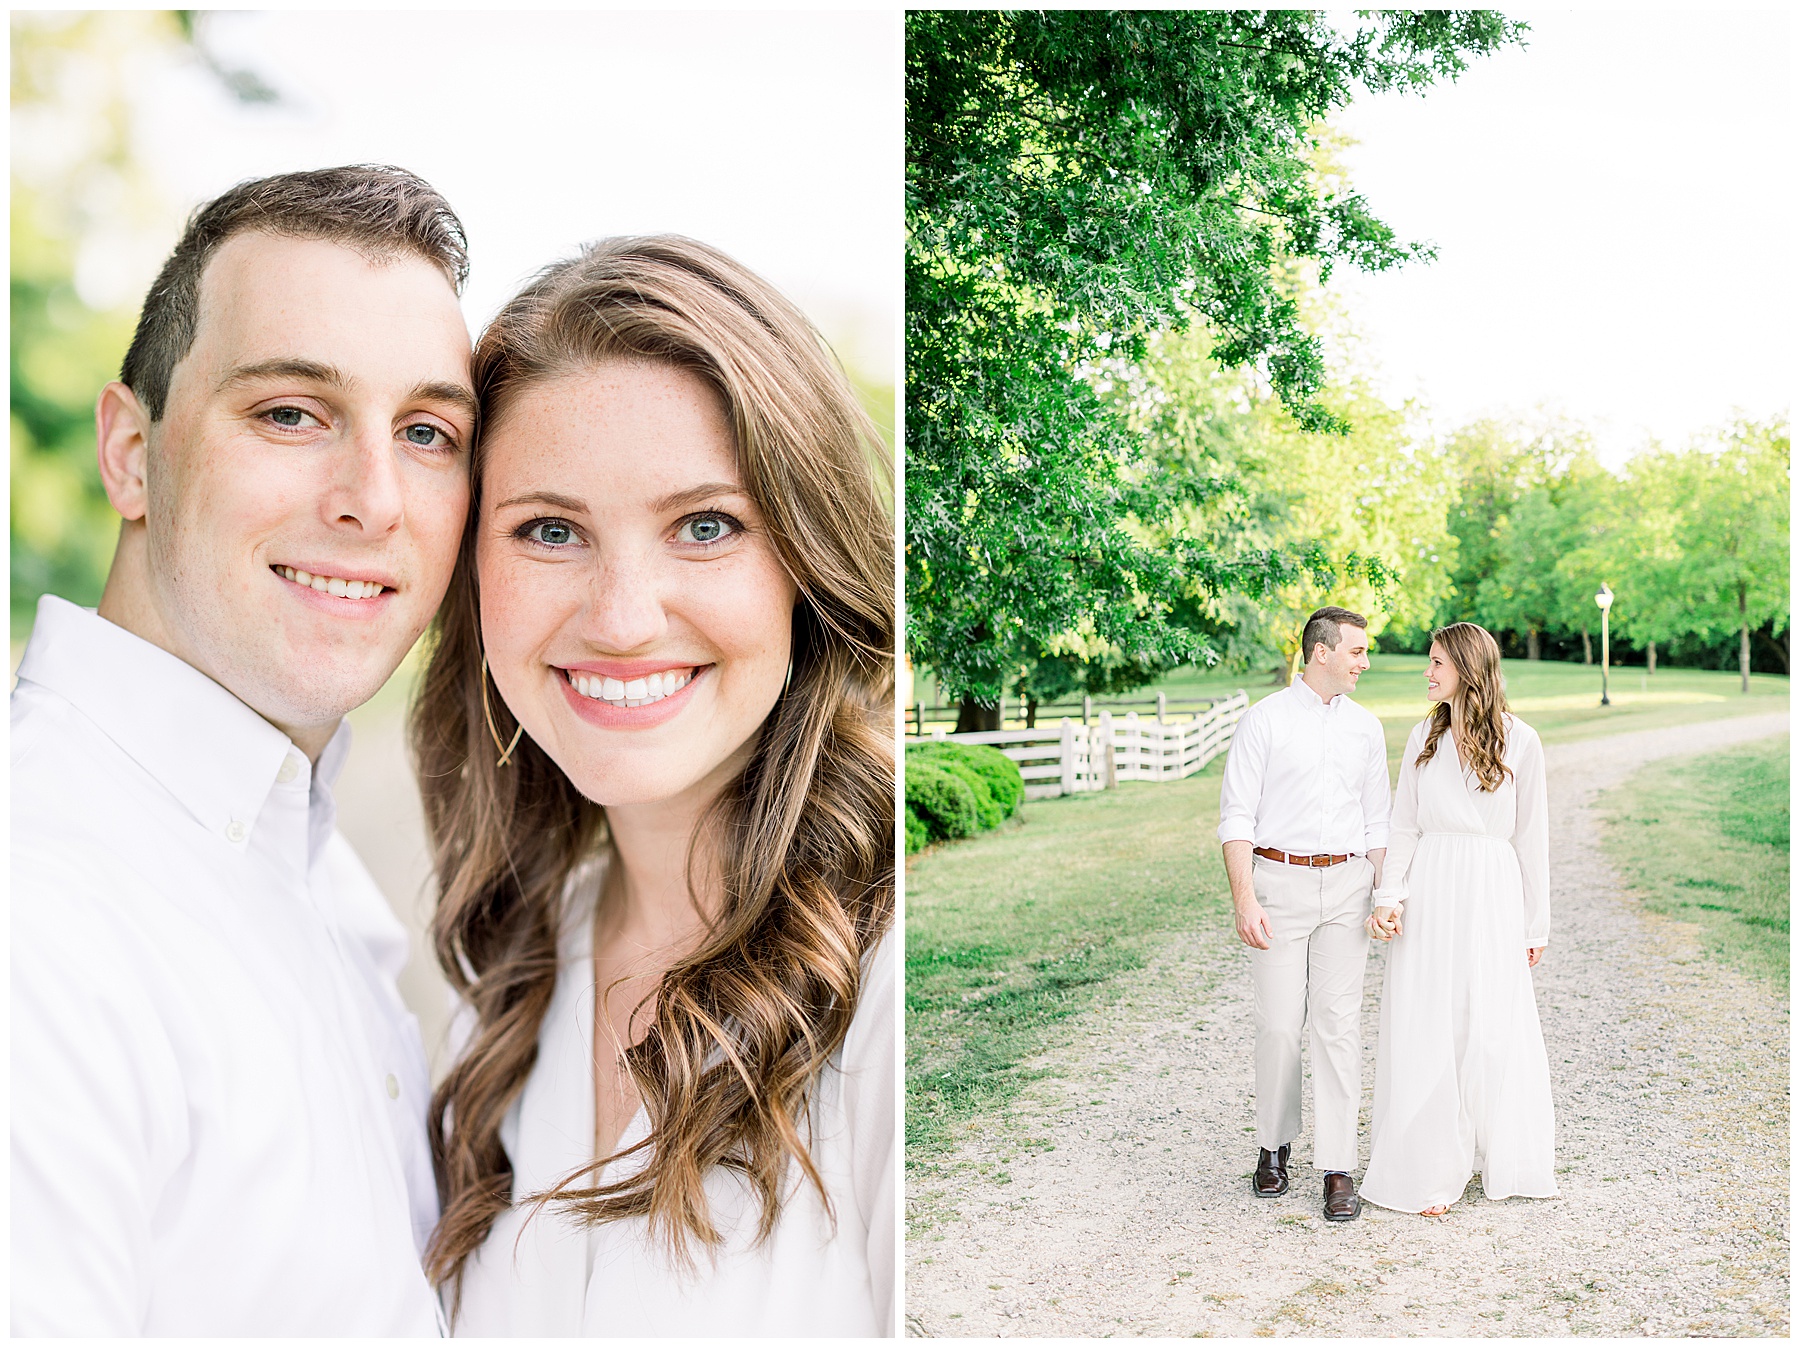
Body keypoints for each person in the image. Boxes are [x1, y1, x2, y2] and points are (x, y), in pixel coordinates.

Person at [11, 166, 473, 1335]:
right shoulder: (39, 914)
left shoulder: (303, 866)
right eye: (290, 413)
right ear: (129, 451)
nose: (374, 499)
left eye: (427, 432)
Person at [410, 236, 895, 1335]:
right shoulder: (512, 974)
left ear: (806, 561)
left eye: (706, 526)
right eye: (549, 529)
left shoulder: (887, 980)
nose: (623, 616)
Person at [1360, 622, 1558, 1215]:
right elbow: (1402, 823)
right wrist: (1388, 895)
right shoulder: (1425, 733)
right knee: (1430, 1020)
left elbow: (1532, 839)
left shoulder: (1522, 742)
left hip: (1492, 890)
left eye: (1437, 662)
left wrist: (1535, 924)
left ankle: (1498, 1150)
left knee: (1489, 1023)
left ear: (1468, 669)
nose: (1427, 671)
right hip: (1433, 886)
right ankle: (1429, 1167)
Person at [1218, 606, 1390, 1222]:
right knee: (1280, 1026)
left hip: (1347, 886)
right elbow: (1236, 816)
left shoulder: (1366, 729)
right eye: (1357, 651)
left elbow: (1378, 821)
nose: (1364, 663)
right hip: (1279, 884)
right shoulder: (1262, 722)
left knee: (1338, 1027)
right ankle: (1274, 1142)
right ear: (1322, 652)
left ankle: (1338, 1165)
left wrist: (1384, 892)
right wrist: (1245, 897)